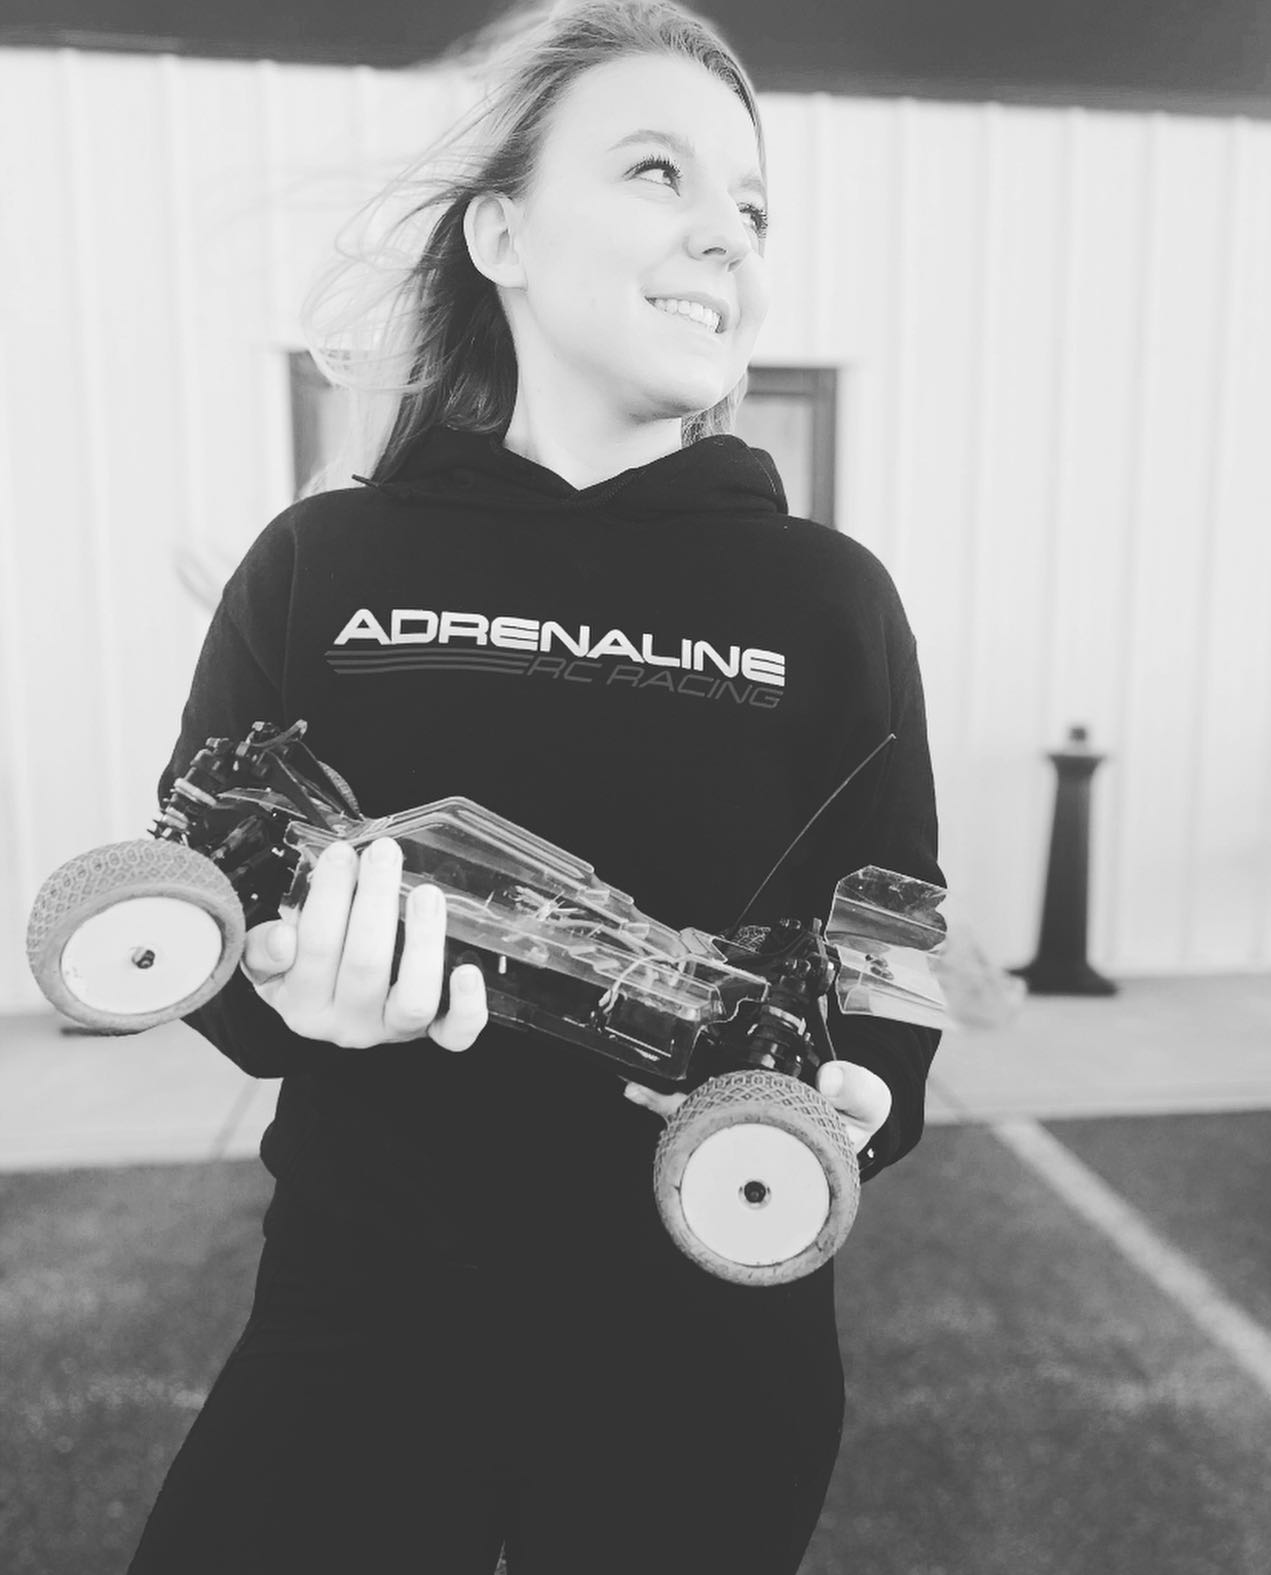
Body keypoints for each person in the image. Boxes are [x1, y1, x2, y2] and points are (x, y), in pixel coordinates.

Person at [127, 2, 943, 1571]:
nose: (728, 236)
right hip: (365, 1314)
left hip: (707, 1348)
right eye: (658, 172)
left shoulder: (832, 597)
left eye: (752, 205)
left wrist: (872, 1090)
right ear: (499, 231)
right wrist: (286, 994)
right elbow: (208, 912)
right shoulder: (320, 562)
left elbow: (890, 939)